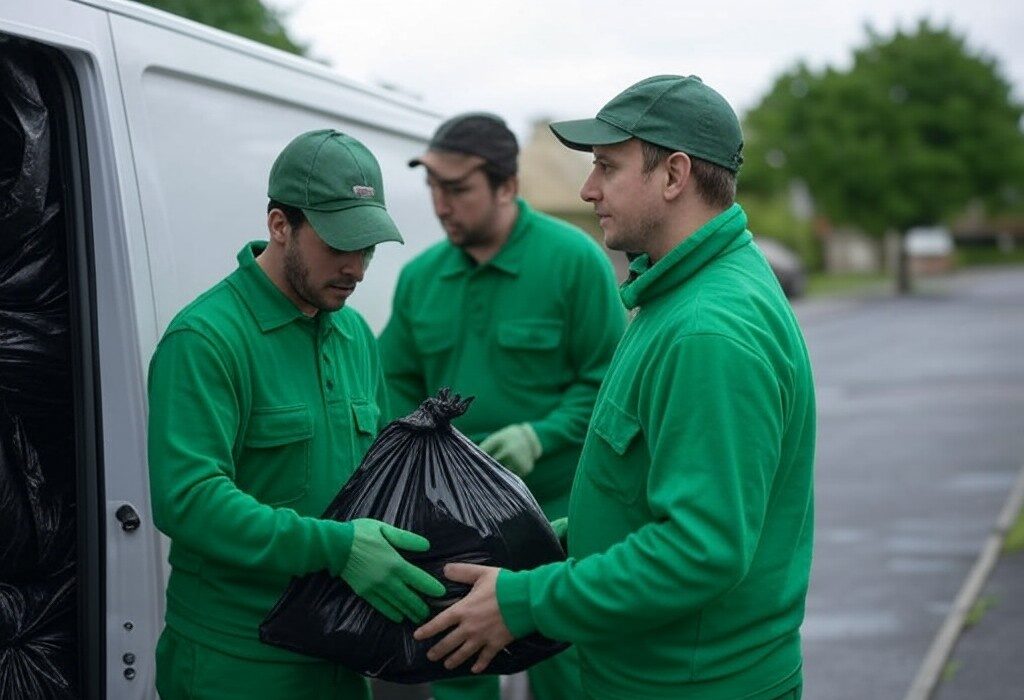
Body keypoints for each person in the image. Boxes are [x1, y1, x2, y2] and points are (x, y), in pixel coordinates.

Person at [413, 75, 817, 700]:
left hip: (691, 683)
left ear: (674, 174)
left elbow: (700, 549)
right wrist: (551, 541)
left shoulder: (708, 329)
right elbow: (649, 495)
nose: (587, 188)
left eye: (606, 165)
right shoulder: (676, 295)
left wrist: (524, 600)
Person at [147, 129, 446, 700]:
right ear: (280, 225)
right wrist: (335, 548)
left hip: (339, 658)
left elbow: (378, 482)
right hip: (237, 664)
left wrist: (499, 537)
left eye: (369, 248)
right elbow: (188, 499)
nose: (356, 267)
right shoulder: (206, 339)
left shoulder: (355, 334)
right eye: (339, 245)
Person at [378, 112, 625, 700]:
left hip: (559, 522)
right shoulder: (420, 279)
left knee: (571, 677)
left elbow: (612, 388)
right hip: (454, 530)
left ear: (507, 187)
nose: (441, 205)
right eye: (433, 188)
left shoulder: (575, 262)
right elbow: (390, 391)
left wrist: (539, 435)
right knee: (458, 672)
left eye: (457, 189)